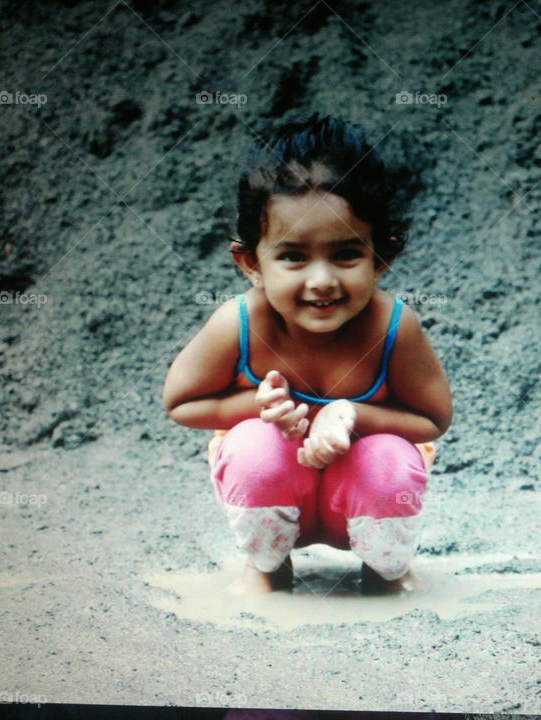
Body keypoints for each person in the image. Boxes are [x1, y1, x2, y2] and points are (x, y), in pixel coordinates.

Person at [162, 114, 452, 595]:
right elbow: (179, 403)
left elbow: (432, 419)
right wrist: (256, 406)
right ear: (251, 262)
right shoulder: (237, 324)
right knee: (253, 448)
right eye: (293, 256)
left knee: (388, 461)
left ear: (383, 257)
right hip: (276, 497)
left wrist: (349, 414)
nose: (321, 280)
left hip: (360, 500)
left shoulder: (393, 328)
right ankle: (268, 569)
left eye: (345, 255)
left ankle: (385, 572)